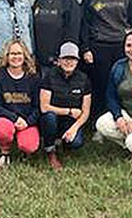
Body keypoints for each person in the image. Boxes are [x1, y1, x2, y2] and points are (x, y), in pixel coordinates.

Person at [80, 0, 132, 118]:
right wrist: (85, 48)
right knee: (101, 85)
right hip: (99, 46)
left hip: (122, 46)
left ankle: (125, 118)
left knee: (123, 84)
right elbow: (85, 23)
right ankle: (100, 122)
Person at [39, 41, 92, 171]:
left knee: (77, 143)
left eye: (72, 58)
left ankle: (65, 143)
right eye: (65, 58)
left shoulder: (84, 79)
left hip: (71, 122)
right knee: (49, 117)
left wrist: (74, 128)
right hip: (53, 119)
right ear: (59, 60)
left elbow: (85, 112)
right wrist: (68, 111)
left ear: (77, 61)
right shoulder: (49, 76)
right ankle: (50, 150)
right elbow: (44, 107)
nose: (69, 62)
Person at [0, 39, 42, 167]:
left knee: (29, 146)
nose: (16, 57)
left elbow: (38, 107)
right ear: (7, 56)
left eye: (19, 54)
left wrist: (27, 122)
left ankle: (23, 149)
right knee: (2, 130)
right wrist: (15, 118)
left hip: (27, 121)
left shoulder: (33, 78)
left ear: (25, 56)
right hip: (6, 119)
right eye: (12, 54)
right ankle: (5, 151)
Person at [32, 0, 81, 77]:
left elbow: (73, 32)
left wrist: (65, 56)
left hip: (59, 60)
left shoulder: (69, 1)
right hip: (41, 59)